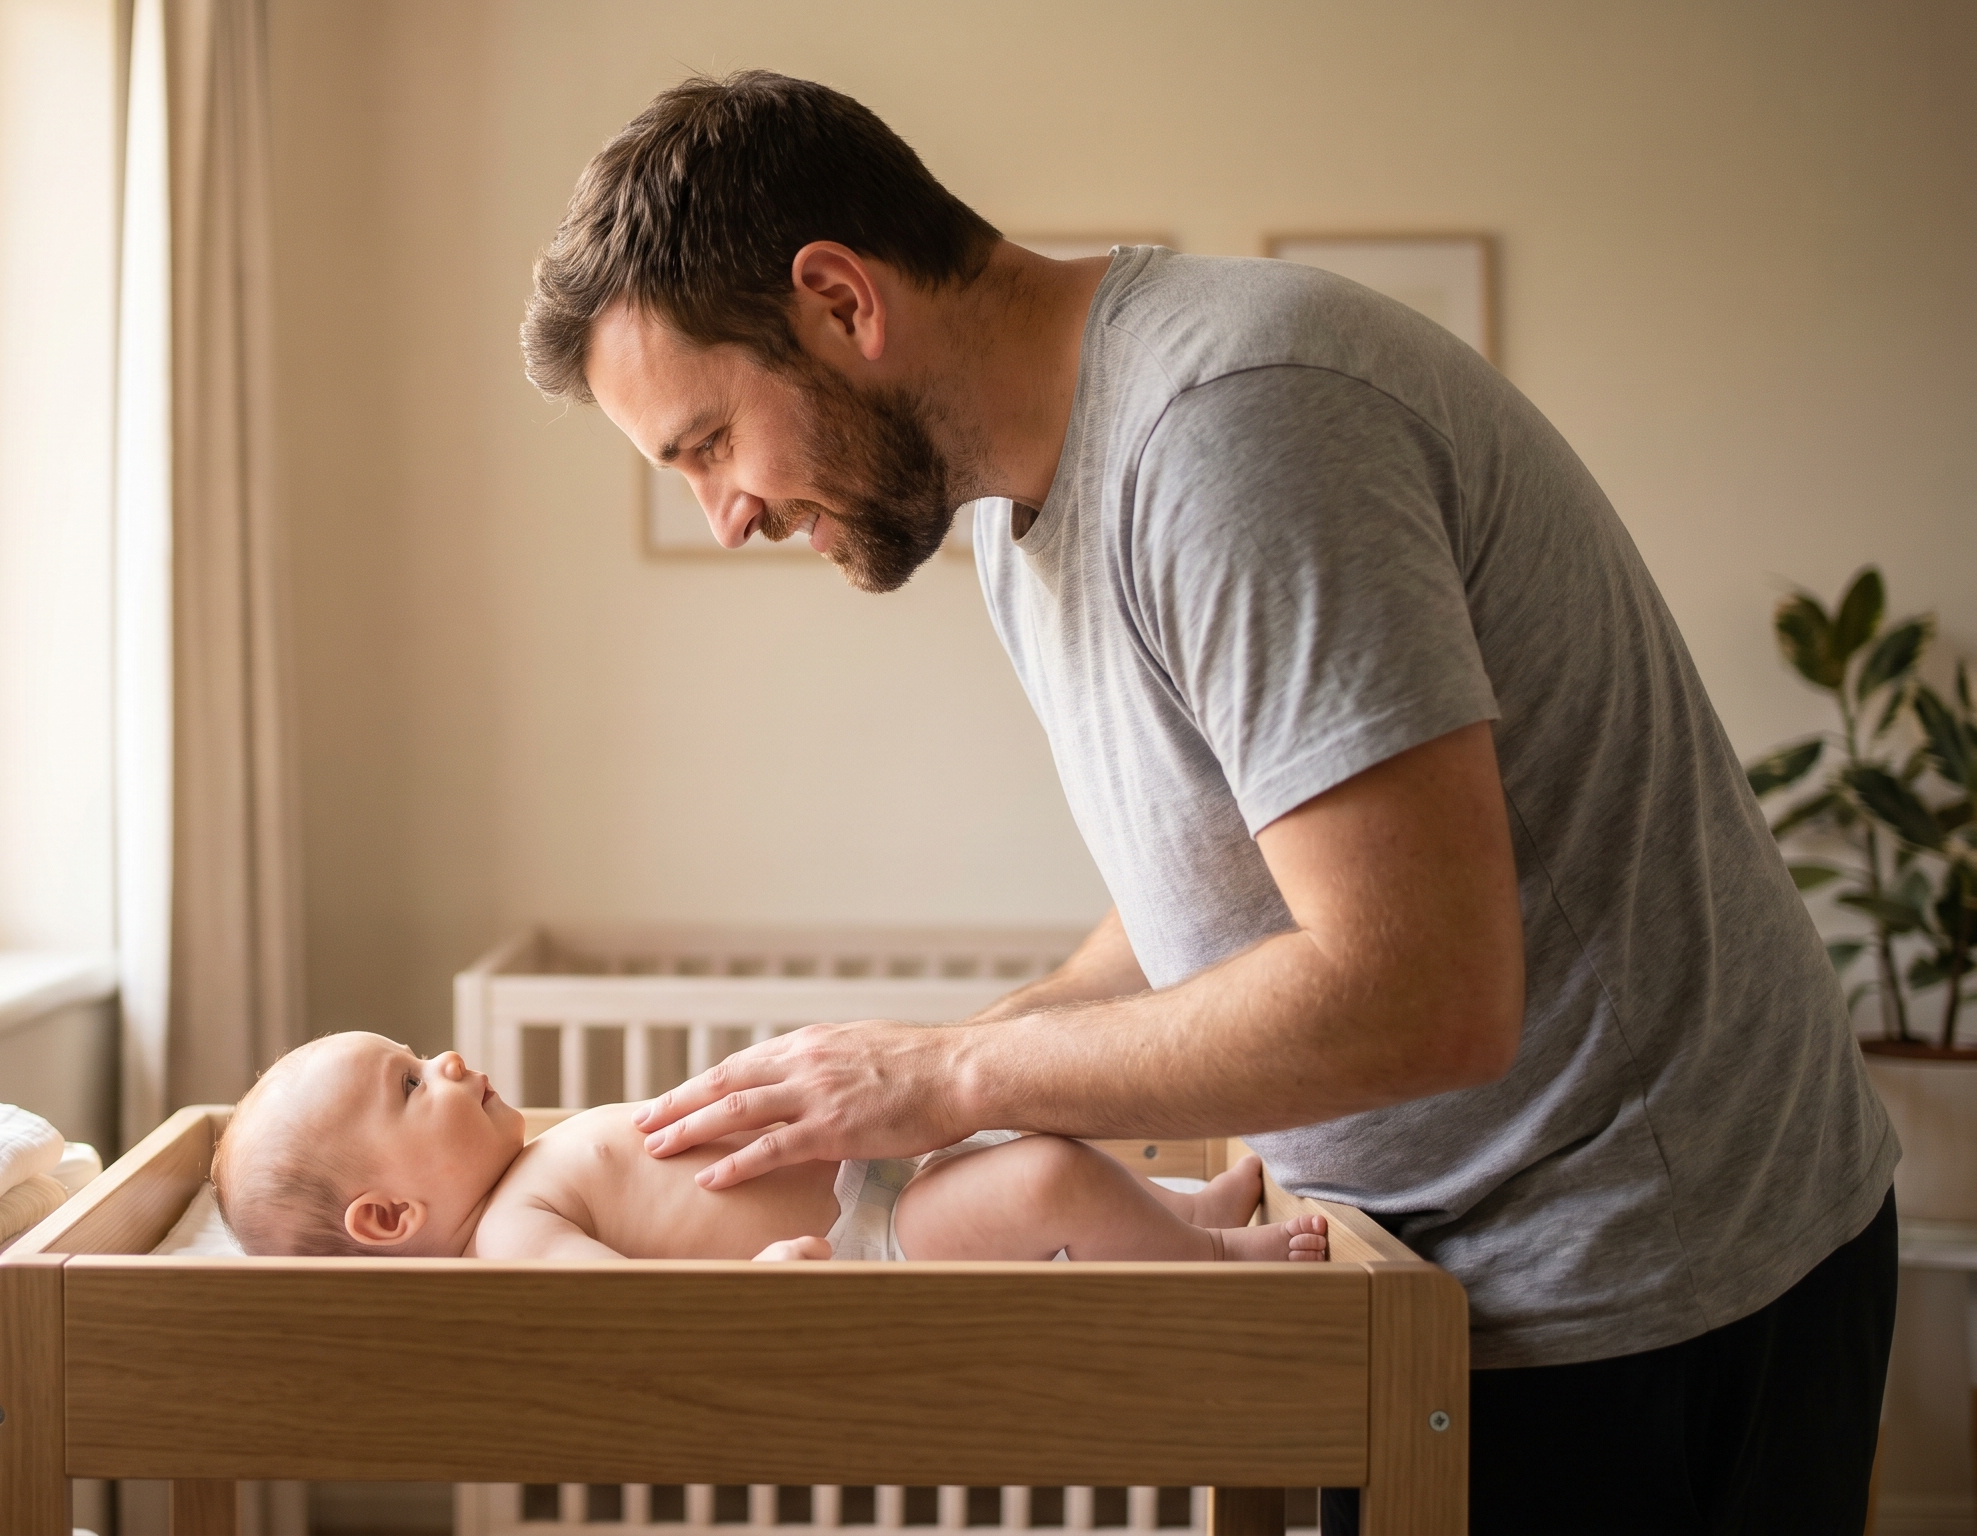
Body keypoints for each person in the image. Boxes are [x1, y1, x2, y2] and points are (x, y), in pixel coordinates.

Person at [516, 71, 1898, 1536]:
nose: (724, 515)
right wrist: (941, 1065)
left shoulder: (1232, 436)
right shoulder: (1010, 513)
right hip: (1420, 1273)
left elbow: (1425, 993)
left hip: (1645, 1284)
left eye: (708, 443)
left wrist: (959, 1082)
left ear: (842, 303)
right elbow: (1232, 873)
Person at [211, 1031, 1329, 1263]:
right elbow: (624, 1314)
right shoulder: (514, 1232)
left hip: (869, 1174)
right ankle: (1215, 1264)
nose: (449, 1060)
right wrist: (755, 1287)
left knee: (1032, 1137)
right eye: (410, 1084)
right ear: (388, 1217)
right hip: (866, 1234)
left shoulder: (529, 1161)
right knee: (1046, 1178)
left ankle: (1184, 1210)